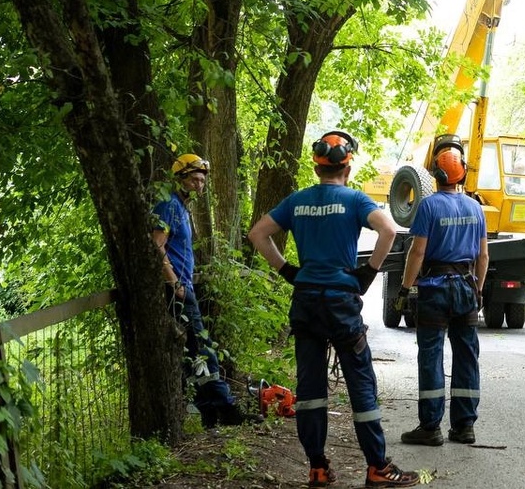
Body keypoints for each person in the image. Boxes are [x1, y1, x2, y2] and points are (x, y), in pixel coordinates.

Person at [248, 130, 420, 489]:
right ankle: (376, 467)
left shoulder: (297, 201)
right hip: (341, 304)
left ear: (316, 167)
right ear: (348, 165)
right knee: (361, 384)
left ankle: (318, 468)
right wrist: (368, 272)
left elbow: (258, 234)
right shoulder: (354, 199)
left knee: (310, 388)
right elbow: (389, 229)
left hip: (307, 301)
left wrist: (287, 270)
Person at [397, 135, 488, 447]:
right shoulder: (476, 209)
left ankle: (430, 427)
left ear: (435, 174)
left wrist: (405, 288)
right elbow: (483, 256)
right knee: (466, 357)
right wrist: (478, 289)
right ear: (462, 173)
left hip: (435, 289)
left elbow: (417, 253)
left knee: (431, 356)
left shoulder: (428, 207)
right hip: (465, 288)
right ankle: (464, 427)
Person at [151, 153, 249, 427]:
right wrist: (175, 283)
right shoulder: (168, 206)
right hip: (177, 290)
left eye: (202, 181)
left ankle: (208, 412)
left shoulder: (182, 207)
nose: (199, 185)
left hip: (184, 286)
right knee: (203, 348)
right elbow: (156, 245)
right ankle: (226, 409)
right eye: (194, 179)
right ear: (180, 178)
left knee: (194, 352)